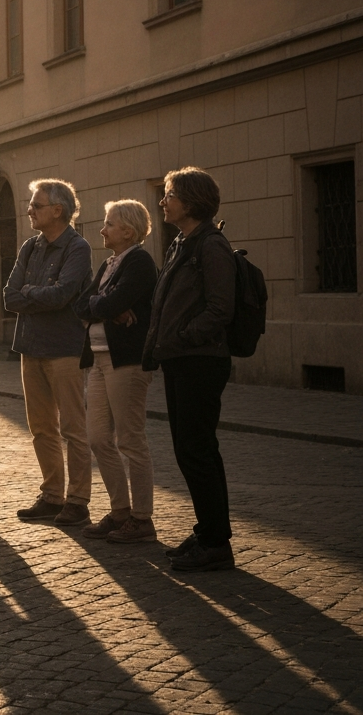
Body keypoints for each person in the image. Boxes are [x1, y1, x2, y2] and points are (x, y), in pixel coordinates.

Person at [143, 167, 237, 572]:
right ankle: (209, 532)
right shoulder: (182, 242)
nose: (163, 201)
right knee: (191, 449)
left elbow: (220, 308)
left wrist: (182, 337)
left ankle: (216, 542)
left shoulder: (211, 245)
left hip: (200, 360)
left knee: (196, 450)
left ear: (191, 200)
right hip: (181, 359)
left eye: (169, 195)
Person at [4, 178, 93, 527]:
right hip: (30, 346)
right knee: (41, 427)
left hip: (64, 350)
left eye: (35, 205)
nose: (29, 210)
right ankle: (53, 495)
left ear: (57, 211)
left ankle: (78, 501)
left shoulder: (77, 248)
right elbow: (9, 296)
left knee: (73, 428)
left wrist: (32, 294)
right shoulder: (30, 247)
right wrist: (38, 293)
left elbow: (63, 295)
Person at [75, 200, 159, 543]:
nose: (102, 229)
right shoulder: (110, 263)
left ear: (128, 230)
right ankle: (119, 510)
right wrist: (108, 310)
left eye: (108, 224)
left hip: (127, 362)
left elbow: (102, 302)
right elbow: (81, 304)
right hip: (97, 360)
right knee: (97, 438)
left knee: (130, 439)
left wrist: (104, 308)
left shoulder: (139, 261)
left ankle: (142, 519)